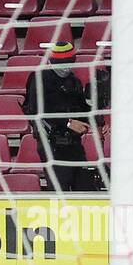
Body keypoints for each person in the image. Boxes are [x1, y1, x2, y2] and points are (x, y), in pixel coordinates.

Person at [23, 42, 100, 193]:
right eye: (61, 64)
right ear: (51, 61)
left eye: (69, 64)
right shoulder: (39, 77)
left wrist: (97, 118)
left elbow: (82, 110)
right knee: (60, 190)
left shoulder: (74, 81)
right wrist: (68, 123)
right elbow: (36, 109)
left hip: (73, 144)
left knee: (85, 187)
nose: (66, 68)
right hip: (52, 143)